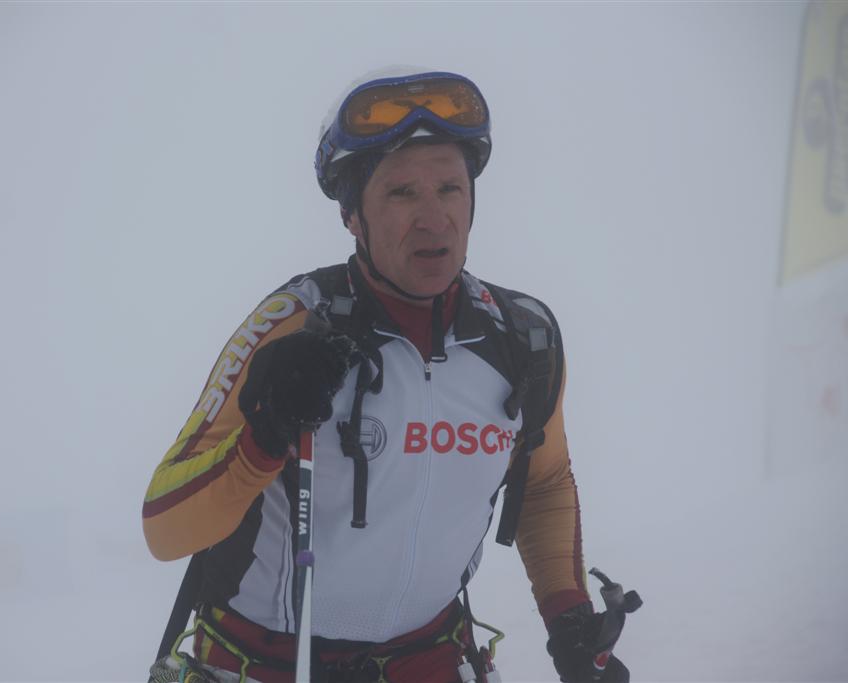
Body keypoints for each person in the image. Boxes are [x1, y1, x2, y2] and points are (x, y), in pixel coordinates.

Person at [143, 68, 631, 683]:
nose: (434, 218)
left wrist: (569, 620)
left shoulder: (522, 338)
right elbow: (164, 527)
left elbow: (544, 482)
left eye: (450, 188)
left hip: (429, 660)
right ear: (352, 215)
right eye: (401, 193)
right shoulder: (292, 325)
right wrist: (262, 440)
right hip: (263, 665)